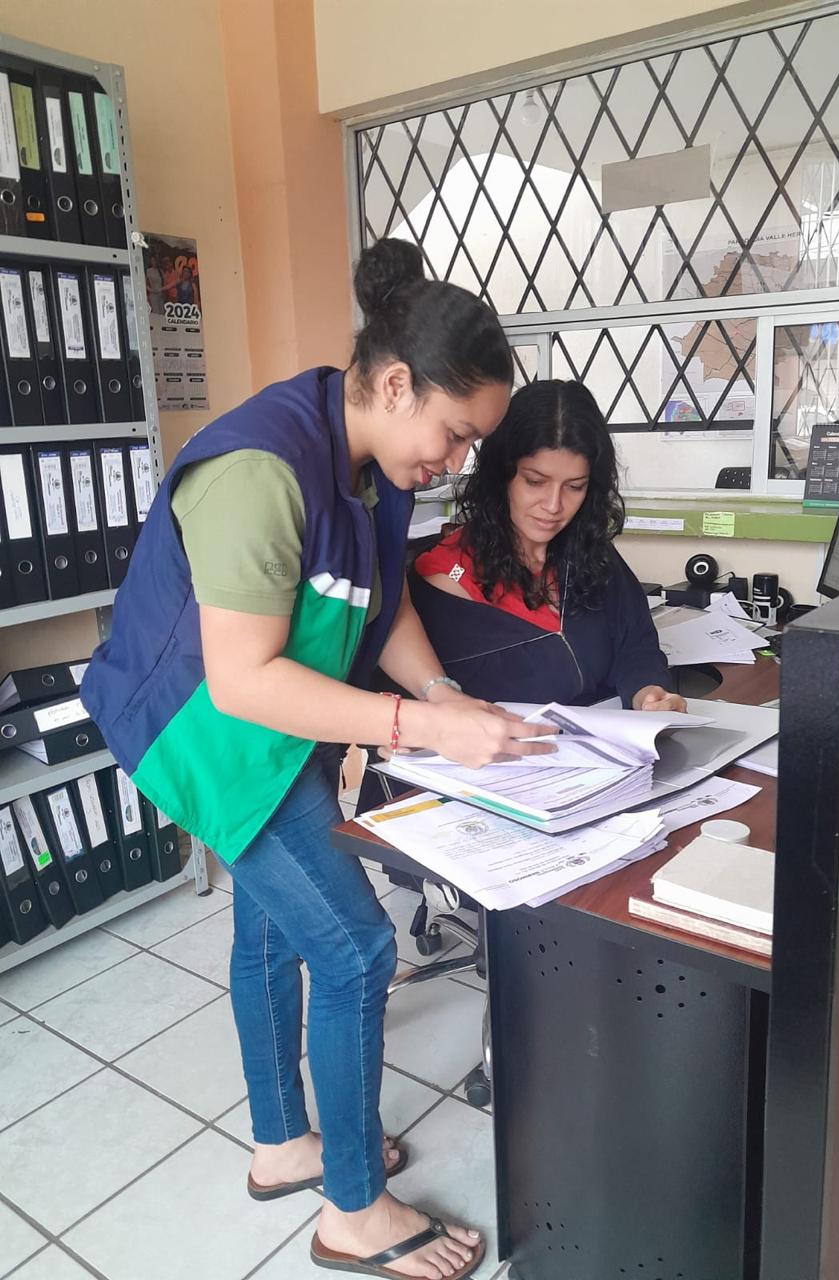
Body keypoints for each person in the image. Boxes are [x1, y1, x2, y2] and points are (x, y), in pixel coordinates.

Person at [81, 238, 554, 1280]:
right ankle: (351, 1209)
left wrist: (438, 691)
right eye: (455, 433)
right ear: (395, 384)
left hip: (277, 722)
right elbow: (242, 680)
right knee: (353, 948)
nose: (456, 460)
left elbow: (379, 604)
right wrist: (417, 729)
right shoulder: (259, 469)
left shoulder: (372, 463)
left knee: (271, 927)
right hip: (203, 729)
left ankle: (283, 1144)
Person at [408, 378, 685, 712]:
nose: (554, 506)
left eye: (575, 486)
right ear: (502, 475)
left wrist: (648, 693)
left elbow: (636, 646)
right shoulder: (446, 581)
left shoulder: (590, 553)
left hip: (613, 740)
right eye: (535, 482)